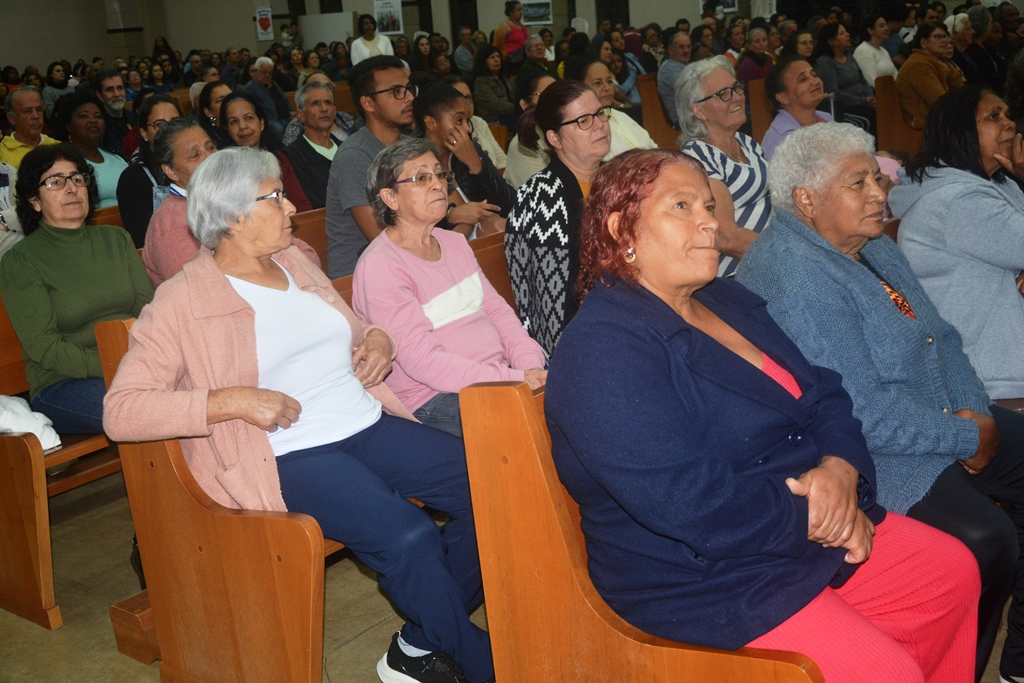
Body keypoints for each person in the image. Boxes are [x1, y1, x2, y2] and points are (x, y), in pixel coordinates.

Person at [548, 143, 980, 683]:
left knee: (950, 574)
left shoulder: (725, 300)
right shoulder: (603, 350)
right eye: (681, 206)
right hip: (707, 580)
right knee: (884, 672)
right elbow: (688, 501)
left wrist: (840, 470)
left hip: (798, 527)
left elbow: (826, 392)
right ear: (620, 228)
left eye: (709, 206)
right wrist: (820, 517)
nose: (710, 222)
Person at [103, 146, 494, 683]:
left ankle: (423, 640)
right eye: (275, 197)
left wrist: (378, 340)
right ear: (234, 217)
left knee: (492, 485)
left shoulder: (293, 262)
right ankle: (481, 662)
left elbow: (356, 327)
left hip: (365, 422)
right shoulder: (181, 301)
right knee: (409, 537)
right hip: (287, 451)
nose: (291, 207)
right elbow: (122, 410)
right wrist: (232, 400)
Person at [736, 121, 1024, 682]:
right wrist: (966, 435)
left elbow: (941, 337)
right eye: (858, 183)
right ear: (806, 200)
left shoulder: (871, 246)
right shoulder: (796, 275)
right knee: (987, 540)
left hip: (938, 415)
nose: (879, 193)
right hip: (871, 453)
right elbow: (861, 412)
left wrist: (978, 416)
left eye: (877, 177)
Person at [353, 138, 545, 436]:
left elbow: (499, 313)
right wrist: (514, 378)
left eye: (439, 174)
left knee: (573, 391)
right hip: (431, 398)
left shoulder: (455, 243)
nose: (437, 184)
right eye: (421, 178)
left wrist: (530, 366)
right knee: (521, 424)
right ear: (390, 198)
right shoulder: (381, 266)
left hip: (499, 374)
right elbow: (423, 362)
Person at [0, 143, 153, 433]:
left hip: (132, 364)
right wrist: (114, 362)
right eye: (55, 182)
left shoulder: (116, 239)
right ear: (34, 200)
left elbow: (149, 313)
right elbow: (46, 348)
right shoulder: (21, 261)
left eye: (77, 178)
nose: (71, 188)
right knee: (144, 409)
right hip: (63, 383)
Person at [890, 85, 1024, 403]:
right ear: (959, 130)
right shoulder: (958, 200)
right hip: (986, 380)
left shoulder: (997, 184)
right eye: (994, 116)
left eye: (1007, 115)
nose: (1010, 124)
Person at [506, 80, 611, 355]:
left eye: (600, 113)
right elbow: (552, 310)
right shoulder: (542, 197)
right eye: (584, 121)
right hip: (581, 340)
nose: (599, 125)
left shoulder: (617, 179)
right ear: (555, 139)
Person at [677, 57, 771, 277]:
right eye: (723, 94)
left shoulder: (747, 143)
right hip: (739, 271)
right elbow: (726, 237)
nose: (737, 97)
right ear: (699, 111)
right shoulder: (698, 157)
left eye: (736, 88)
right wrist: (788, 257)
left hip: (769, 254)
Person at [325, 56, 418, 278]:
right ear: (368, 103)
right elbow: (383, 237)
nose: (409, 97)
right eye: (396, 91)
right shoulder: (353, 157)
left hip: (409, 260)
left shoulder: (413, 148)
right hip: (363, 276)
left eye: (408, 88)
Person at [412, 83, 510, 231]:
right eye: (459, 121)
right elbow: (414, 221)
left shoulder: (470, 149)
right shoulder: (413, 162)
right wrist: (450, 216)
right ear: (431, 123)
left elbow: (508, 204)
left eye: (467, 121)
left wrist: (476, 164)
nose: (467, 128)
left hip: (485, 231)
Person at [140, 119, 218, 286]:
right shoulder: (170, 224)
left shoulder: (229, 196)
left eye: (211, 148)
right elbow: (198, 286)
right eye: (195, 155)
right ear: (170, 171)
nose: (210, 158)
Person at [219, 92, 311, 214]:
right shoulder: (224, 169)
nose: (242, 126)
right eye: (233, 121)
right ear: (228, 130)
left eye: (248, 118)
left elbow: (302, 204)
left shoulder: (279, 158)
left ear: (261, 123)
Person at [115, 94, 181, 246]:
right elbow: (143, 242)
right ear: (144, 133)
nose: (169, 130)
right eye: (159, 124)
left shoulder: (196, 166)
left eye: (176, 122)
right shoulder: (133, 179)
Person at [565, 58, 656, 161]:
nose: (607, 87)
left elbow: (653, 147)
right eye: (598, 83)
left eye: (609, 81)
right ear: (579, 88)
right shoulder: (581, 129)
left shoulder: (620, 116)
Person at [57, 91, 128, 209]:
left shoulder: (117, 157)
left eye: (98, 116)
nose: (93, 120)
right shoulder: (62, 162)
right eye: (84, 116)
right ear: (68, 125)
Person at [285, 81, 343, 210]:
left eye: (328, 103)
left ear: (334, 112)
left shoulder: (347, 149)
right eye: (316, 103)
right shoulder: (293, 156)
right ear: (301, 114)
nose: (324, 108)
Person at [762, 55, 833, 160]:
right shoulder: (783, 142)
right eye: (803, 79)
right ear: (783, 97)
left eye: (814, 75)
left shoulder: (825, 118)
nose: (815, 81)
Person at [896, 23, 965, 130]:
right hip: (925, 124)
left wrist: (949, 71)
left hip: (937, 119)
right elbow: (940, 101)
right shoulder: (918, 64)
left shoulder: (937, 62)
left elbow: (960, 92)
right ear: (924, 43)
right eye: (937, 37)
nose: (944, 41)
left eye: (945, 36)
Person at [812, 23, 875, 132]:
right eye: (842, 33)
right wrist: (863, 101)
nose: (847, 34)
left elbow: (862, 80)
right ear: (831, 41)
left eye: (846, 31)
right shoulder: (825, 62)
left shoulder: (849, 56)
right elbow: (834, 92)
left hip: (863, 102)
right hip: (845, 106)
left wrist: (870, 96)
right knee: (872, 116)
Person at [503, 73, 555, 188]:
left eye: (558, 93)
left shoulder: (569, 131)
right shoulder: (523, 145)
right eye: (545, 94)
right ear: (525, 105)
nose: (555, 100)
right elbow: (541, 192)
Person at [281, 73, 358, 148]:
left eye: (328, 86)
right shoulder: (295, 126)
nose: (324, 108)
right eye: (317, 85)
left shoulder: (344, 117)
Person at [448, 78, 507, 172]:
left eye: (468, 97)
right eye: (460, 98)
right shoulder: (447, 130)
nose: (466, 103)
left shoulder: (479, 122)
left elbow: (501, 159)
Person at [1, 87, 59, 169]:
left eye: (39, 110)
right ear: (11, 118)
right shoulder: (2, 153)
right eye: (27, 111)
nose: (36, 116)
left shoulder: (57, 146)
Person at [242, 57, 294, 143]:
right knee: (278, 129)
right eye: (264, 72)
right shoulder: (250, 88)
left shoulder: (274, 84)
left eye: (270, 73)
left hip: (286, 117)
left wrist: (291, 110)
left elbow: (284, 100)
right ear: (257, 71)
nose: (267, 75)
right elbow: (250, 108)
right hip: (270, 120)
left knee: (298, 123)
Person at [95, 70, 137, 159]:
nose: (117, 94)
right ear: (100, 95)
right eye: (110, 90)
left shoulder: (134, 117)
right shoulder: (96, 125)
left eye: (120, 88)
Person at [471, 46, 515, 127]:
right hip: (494, 119)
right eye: (492, 57)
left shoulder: (504, 77)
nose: (496, 60)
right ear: (484, 61)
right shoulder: (481, 82)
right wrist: (518, 107)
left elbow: (515, 94)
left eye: (498, 57)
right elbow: (496, 106)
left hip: (511, 112)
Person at [853, 14, 898, 88]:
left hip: (891, 90)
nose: (886, 28)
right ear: (870, 30)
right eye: (882, 26)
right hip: (876, 93)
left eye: (886, 25)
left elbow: (896, 75)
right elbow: (871, 82)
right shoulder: (863, 50)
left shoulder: (884, 50)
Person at [658, 29, 692, 125]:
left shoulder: (684, 65)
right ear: (670, 50)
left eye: (688, 46)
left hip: (696, 115)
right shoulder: (668, 68)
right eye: (681, 47)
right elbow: (694, 90)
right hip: (684, 121)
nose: (686, 50)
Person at [735, 28, 774, 92]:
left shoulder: (768, 59)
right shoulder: (747, 65)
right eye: (757, 41)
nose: (762, 44)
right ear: (749, 46)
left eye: (764, 40)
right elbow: (747, 91)